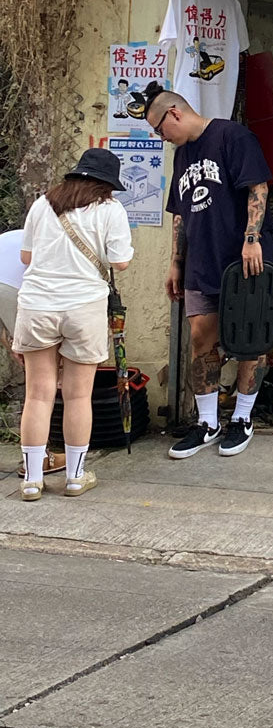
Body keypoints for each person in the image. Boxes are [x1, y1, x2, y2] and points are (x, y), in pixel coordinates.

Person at [145, 87, 273, 460]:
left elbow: (258, 186)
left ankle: (242, 418)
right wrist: (176, 260)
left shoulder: (231, 135)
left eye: (159, 129)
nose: (160, 137)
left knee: (251, 338)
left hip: (243, 261)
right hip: (200, 262)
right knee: (201, 338)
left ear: (174, 113)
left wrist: (252, 237)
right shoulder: (183, 155)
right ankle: (207, 422)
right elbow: (180, 212)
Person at [12, 149, 133, 500]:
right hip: (84, 306)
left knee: (38, 394)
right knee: (79, 394)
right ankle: (76, 477)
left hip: (37, 303)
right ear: (107, 183)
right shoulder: (110, 209)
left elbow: (26, 257)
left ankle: (32, 479)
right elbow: (120, 262)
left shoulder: (43, 204)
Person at [0, 228, 67, 481]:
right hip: (18, 286)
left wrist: (15, 345)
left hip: (7, 282)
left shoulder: (24, 234)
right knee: (41, 386)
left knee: (35, 371)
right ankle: (37, 461)